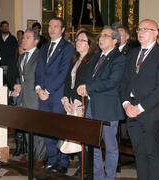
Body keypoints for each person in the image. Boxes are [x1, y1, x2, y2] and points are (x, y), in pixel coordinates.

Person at [120, 19, 159, 180]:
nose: (140, 32)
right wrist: (126, 104)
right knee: (139, 152)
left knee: (151, 153)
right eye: (138, 29)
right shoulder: (132, 53)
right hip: (131, 111)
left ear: (155, 33)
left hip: (151, 112)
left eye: (145, 29)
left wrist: (140, 107)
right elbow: (124, 82)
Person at [77, 26, 126, 180]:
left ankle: (109, 177)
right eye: (101, 35)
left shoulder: (119, 58)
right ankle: (98, 177)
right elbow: (89, 78)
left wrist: (89, 87)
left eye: (106, 35)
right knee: (93, 145)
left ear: (115, 40)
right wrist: (84, 87)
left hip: (108, 107)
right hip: (92, 105)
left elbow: (112, 81)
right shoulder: (97, 56)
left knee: (110, 147)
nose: (101, 38)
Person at [35, 17, 75, 174]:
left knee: (60, 129)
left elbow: (63, 73)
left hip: (57, 95)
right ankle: (52, 160)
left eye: (56, 26)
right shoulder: (44, 47)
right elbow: (38, 70)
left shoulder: (68, 48)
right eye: (50, 26)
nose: (52, 29)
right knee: (47, 129)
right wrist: (38, 89)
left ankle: (63, 162)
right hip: (43, 95)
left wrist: (48, 90)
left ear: (62, 29)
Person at [61, 30, 98, 178]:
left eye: (82, 40)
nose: (78, 42)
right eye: (77, 40)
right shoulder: (74, 59)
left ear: (89, 44)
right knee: (76, 138)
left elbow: (90, 83)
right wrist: (65, 100)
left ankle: (86, 169)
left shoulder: (93, 60)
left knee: (85, 138)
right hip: (71, 103)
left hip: (84, 103)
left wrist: (77, 101)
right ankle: (81, 166)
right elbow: (67, 82)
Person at [11, 29, 47, 167]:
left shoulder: (40, 56)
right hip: (24, 98)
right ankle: (30, 154)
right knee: (27, 128)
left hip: (36, 97)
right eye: (23, 37)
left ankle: (40, 157)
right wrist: (17, 85)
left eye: (27, 37)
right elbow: (22, 78)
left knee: (38, 129)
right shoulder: (21, 57)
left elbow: (43, 77)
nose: (23, 40)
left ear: (36, 41)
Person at [0, 21, 18, 85]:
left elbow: (15, 53)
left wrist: (12, 65)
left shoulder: (13, 39)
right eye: (4, 26)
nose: (5, 28)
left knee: (9, 85)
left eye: (7, 26)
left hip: (9, 66)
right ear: (1, 28)